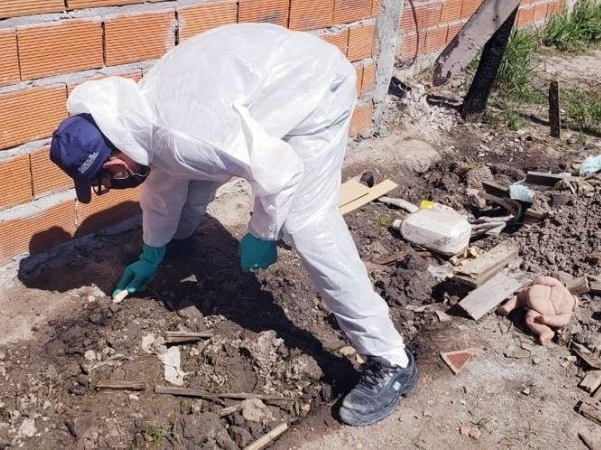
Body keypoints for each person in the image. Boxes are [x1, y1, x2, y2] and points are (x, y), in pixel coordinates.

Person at [50, 22, 417, 427]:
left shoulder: (188, 136)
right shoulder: (138, 117)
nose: (115, 181)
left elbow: (280, 174)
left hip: (316, 88)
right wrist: (154, 250)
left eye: (111, 174)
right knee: (191, 173)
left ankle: (390, 359)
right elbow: (164, 183)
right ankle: (180, 240)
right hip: (264, 81)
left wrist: (262, 233)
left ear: (117, 154)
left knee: (305, 221)